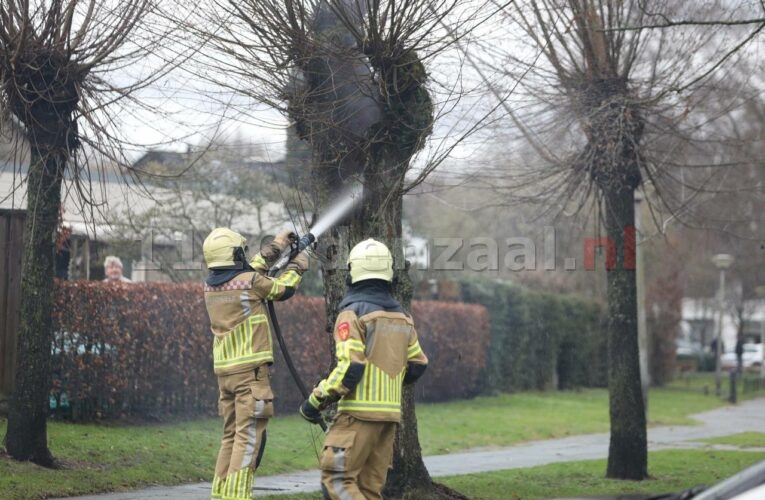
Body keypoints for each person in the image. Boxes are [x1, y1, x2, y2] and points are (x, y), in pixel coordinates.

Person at [299, 238, 428, 500]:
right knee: (369, 490)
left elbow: (351, 368)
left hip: (357, 417)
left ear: (353, 270)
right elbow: (418, 364)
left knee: (337, 481)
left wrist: (315, 401)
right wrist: (387, 386)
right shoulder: (402, 317)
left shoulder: (352, 313)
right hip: (388, 420)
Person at [203, 227, 308, 500]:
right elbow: (283, 289)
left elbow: (252, 269)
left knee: (230, 436)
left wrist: (278, 244)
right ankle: (237, 497)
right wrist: (298, 264)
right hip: (250, 375)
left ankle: (220, 494)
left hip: (226, 374)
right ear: (235, 254)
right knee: (248, 439)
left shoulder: (211, 286)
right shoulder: (250, 282)